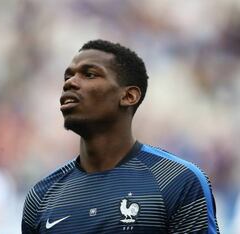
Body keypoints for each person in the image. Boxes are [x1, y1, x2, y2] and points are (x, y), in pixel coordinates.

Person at [21, 39, 219, 233]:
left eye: (89, 74)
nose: (70, 83)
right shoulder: (41, 196)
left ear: (128, 96)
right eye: (67, 77)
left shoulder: (177, 180)